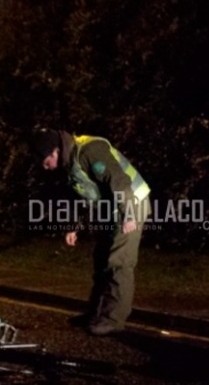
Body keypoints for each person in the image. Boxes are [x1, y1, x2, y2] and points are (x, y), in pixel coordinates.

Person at [31, 128, 151, 336]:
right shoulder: (70, 165)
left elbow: (119, 181)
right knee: (101, 259)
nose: (46, 167)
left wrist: (129, 215)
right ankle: (96, 313)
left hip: (131, 204)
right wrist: (72, 226)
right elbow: (79, 196)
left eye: (45, 161)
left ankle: (113, 319)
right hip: (114, 210)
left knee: (118, 261)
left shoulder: (90, 151)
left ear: (55, 151)